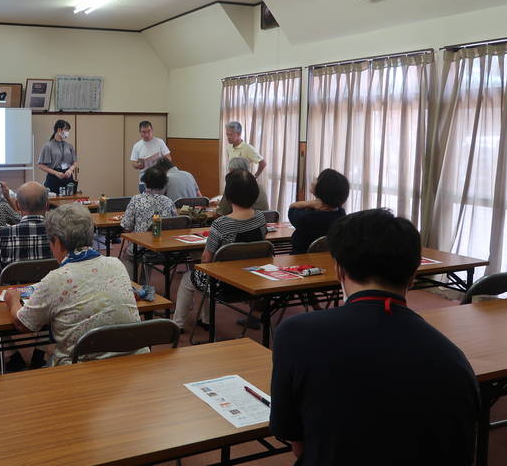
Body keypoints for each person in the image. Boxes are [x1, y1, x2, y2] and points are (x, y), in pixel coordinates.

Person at [271, 209, 479, 465]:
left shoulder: (295, 334)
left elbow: (297, 443)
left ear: (338, 270)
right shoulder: (453, 360)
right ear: (413, 275)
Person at [4, 204, 143, 366]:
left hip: (81, 369)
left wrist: (12, 299)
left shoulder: (56, 279)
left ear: (57, 242)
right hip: (132, 361)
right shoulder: (116, 264)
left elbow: (23, 325)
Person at [171, 170, 267, 330]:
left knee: (190, 278)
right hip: (252, 279)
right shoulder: (261, 218)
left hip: (224, 285)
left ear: (228, 195)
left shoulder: (221, 224)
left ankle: (177, 324)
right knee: (207, 272)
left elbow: (206, 260)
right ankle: (205, 319)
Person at [0, 181, 52, 283]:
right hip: (49, 291)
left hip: (12, 293)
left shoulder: (2, 234)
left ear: (17, 206)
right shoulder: (59, 232)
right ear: (47, 205)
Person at [288, 168, 349, 254]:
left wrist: (309, 203)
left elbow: (292, 208)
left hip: (302, 261)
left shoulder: (306, 218)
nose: (313, 180)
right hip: (328, 261)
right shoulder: (341, 214)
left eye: (317, 179)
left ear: (323, 188)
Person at [121, 166, 177, 233]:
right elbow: (175, 224)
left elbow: (127, 227)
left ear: (145, 182)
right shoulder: (169, 202)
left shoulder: (136, 200)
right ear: (164, 184)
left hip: (140, 242)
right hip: (162, 241)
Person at [37, 120, 78, 195]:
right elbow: (41, 165)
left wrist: (70, 170)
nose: (67, 132)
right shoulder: (48, 146)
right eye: (66, 130)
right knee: (54, 201)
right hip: (54, 177)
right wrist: (56, 173)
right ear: (59, 130)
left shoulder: (69, 146)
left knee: (69, 200)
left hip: (67, 176)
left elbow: (75, 162)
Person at [130, 121, 171, 192]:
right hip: (144, 181)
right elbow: (133, 163)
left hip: (159, 178)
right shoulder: (137, 146)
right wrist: (138, 165)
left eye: (149, 131)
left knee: (160, 201)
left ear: (152, 130)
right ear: (140, 132)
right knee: (145, 201)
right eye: (143, 132)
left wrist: (160, 161)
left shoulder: (159, 142)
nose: (147, 134)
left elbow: (169, 158)